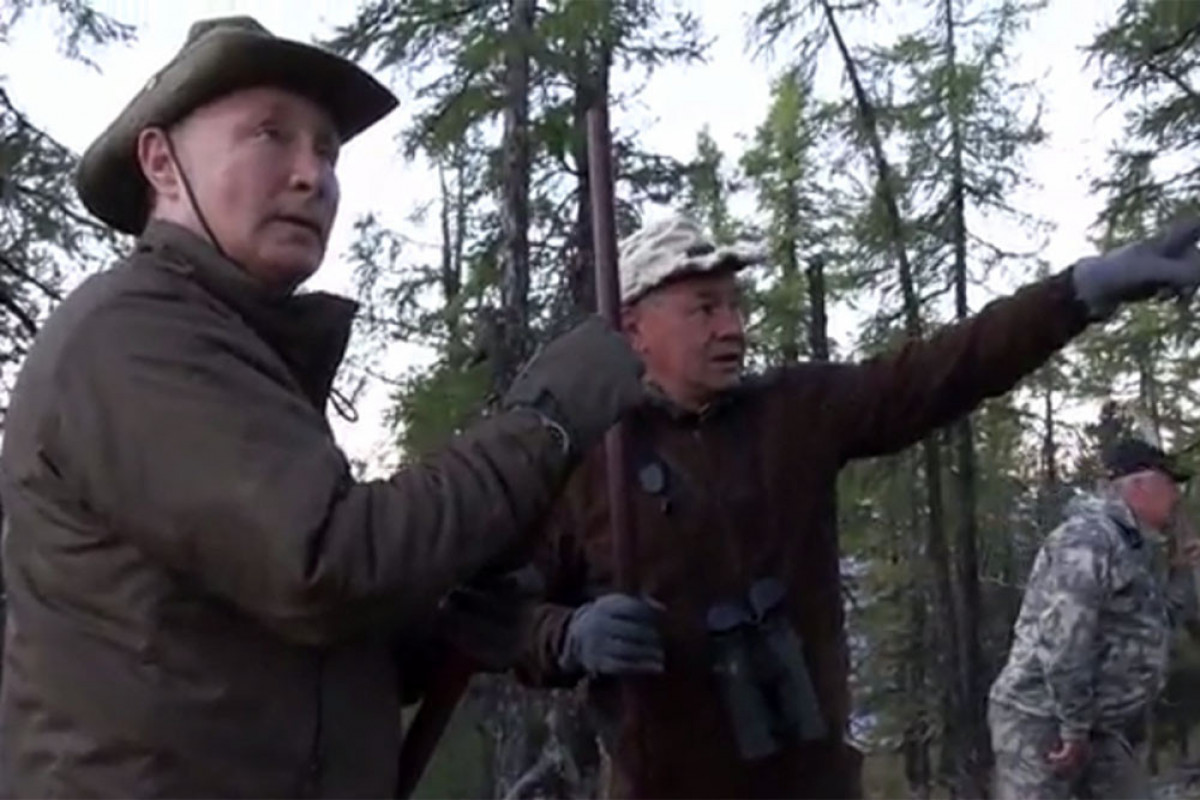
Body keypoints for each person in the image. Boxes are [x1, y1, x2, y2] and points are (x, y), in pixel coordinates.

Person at [0, 16, 645, 798]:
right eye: (269, 135)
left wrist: (430, 633)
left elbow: (259, 639)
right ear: (162, 163)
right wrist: (544, 422)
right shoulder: (133, 336)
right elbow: (324, 566)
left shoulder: (231, 348)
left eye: (328, 150)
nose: (313, 175)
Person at [513, 213, 1200, 799]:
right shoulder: (585, 463)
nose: (733, 327)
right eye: (704, 309)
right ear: (634, 329)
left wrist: (1080, 291)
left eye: (734, 305)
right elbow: (498, 616)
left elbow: (946, 368)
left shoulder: (794, 413)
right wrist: (567, 637)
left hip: (813, 782)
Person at [988, 437, 1200, 800]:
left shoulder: (1131, 546)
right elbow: (1066, 639)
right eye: (1169, 484)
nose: (1176, 496)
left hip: (1097, 725)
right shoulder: (1089, 539)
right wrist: (1073, 727)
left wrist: (1183, 572)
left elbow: (1153, 626)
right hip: (1041, 718)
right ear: (1140, 486)